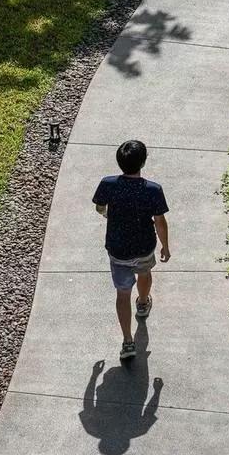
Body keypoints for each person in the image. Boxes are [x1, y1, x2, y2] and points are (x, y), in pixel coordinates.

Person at [93, 140, 170, 362]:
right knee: (145, 274)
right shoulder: (152, 190)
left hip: (118, 250)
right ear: (143, 162)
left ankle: (128, 341)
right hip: (144, 246)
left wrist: (107, 214)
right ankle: (144, 302)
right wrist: (165, 245)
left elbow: (100, 207)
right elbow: (160, 221)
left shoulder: (108, 184)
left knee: (122, 293)